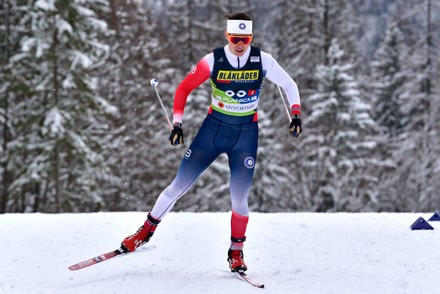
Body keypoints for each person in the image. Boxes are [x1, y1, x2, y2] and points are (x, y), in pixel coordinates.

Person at [121, 12, 302, 273]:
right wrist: (177, 124)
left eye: (246, 38)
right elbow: (184, 88)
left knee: (239, 197)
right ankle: (144, 232)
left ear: (251, 37)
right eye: (236, 38)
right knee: (178, 185)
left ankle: (236, 251)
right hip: (212, 132)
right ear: (227, 36)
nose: (240, 44)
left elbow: (289, 84)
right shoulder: (213, 60)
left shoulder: (262, 60)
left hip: (245, 135)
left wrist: (295, 113)